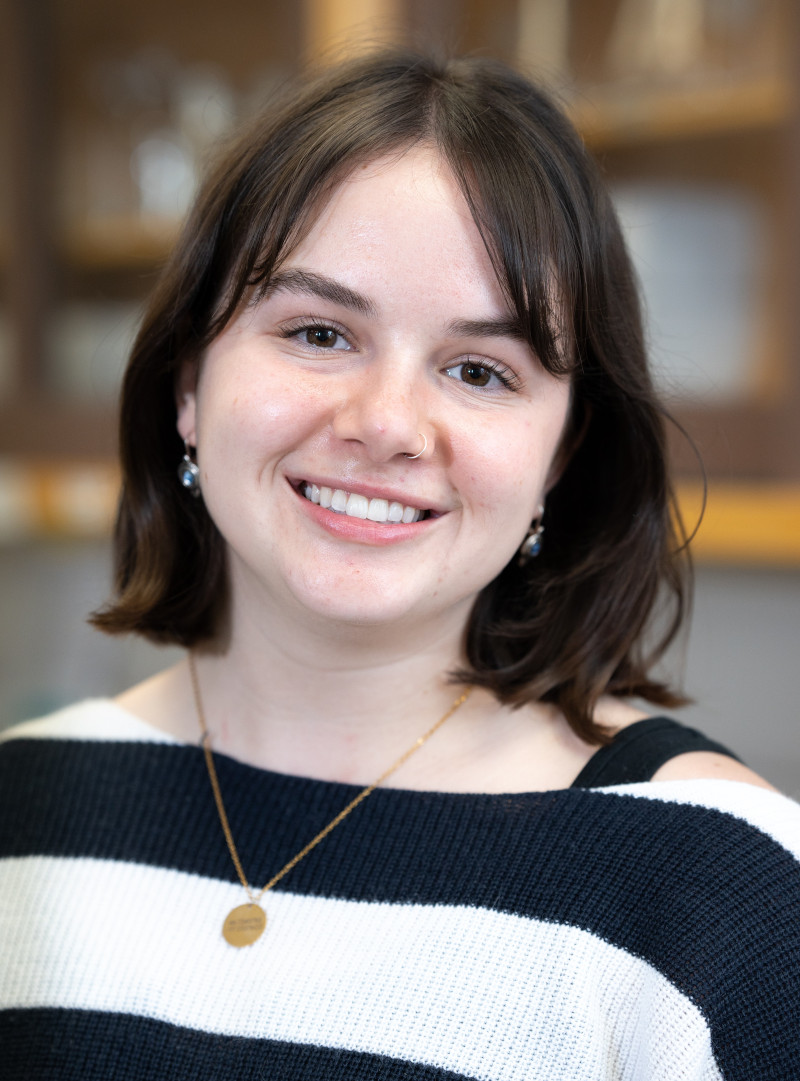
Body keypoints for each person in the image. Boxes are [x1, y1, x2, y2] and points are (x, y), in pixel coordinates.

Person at [1, 49, 798, 1081]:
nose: (384, 426)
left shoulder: (720, 880)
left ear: (562, 450)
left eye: (477, 370)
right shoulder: (24, 799)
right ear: (188, 383)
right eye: (319, 332)